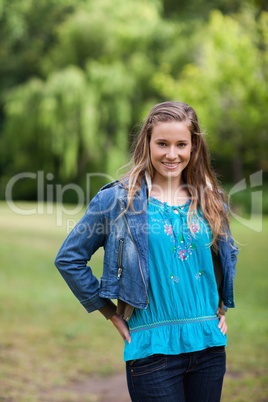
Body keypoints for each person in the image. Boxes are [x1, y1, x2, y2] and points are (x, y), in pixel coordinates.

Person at [55, 101, 238, 401]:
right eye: (162, 143)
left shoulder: (211, 199)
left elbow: (226, 255)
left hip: (209, 347)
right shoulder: (118, 200)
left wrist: (223, 306)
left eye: (181, 144)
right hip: (152, 350)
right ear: (147, 143)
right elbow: (69, 259)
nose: (171, 154)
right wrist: (110, 312)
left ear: (194, 146)